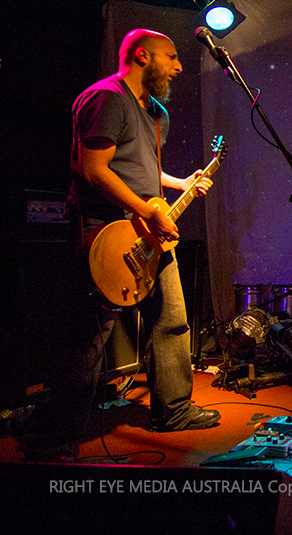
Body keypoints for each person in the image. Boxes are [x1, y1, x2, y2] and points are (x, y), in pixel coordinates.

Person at [20, 29, 220, 463]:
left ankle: (173, 410)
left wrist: (179, 183)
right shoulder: (107, 99)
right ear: (142, 56)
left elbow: (138, 168)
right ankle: (51, 436)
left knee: (171, 320)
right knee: (90, 336)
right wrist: (147, 211)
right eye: (171, 57)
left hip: (147, 230)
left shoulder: (155, 112)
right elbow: (94, 169)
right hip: (106, 228)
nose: (179, 66)